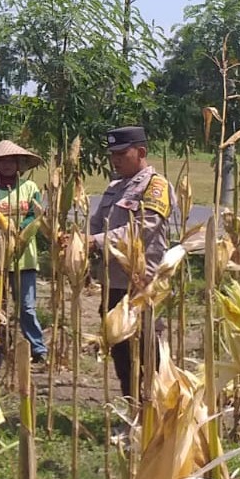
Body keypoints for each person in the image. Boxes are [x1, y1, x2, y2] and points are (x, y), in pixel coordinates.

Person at [87, 125, 178, 402]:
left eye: (121, 154)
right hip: (113, 283)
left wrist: (94, 242)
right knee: (121, 351)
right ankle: (132, 406)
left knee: (147, 350)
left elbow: (140, 230)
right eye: (112, 154)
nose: (115, 160)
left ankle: (158, 406)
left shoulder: (155, 186)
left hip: (141, 285)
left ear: (141, 152)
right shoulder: (115, 187)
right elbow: (95, 225)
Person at [0, 140, 48, 367]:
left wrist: (18, 231)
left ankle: (37, 348)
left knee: (26, 306)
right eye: (3, 162)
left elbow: (34, 216)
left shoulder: (30, 188)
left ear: (19, 164)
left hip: (23, 257)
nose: (7, 165)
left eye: (11, 161)